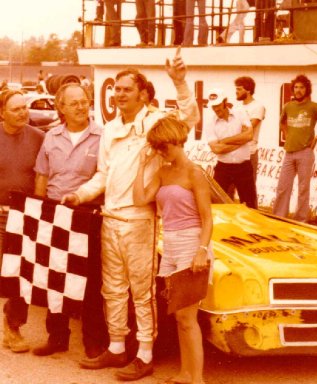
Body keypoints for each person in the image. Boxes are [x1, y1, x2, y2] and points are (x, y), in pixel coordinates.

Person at [61, 47, 199, 381]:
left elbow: (189, 119)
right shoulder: (108, 128)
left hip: (140, 221)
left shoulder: (154, 121)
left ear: (143, 93)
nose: (119, 94)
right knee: (112, 289)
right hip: (111, 218)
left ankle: (145, 354)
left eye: (126, 89)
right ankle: (117, 347)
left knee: (142, 292)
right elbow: (103, 176)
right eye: (116, 89)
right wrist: (79, 195)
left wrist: (180, 83)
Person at [133, 116, 212, 384]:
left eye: (164, 146)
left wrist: (202, 250)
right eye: (157, 147)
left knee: (188, 318)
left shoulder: (195, 173)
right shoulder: (162, 172)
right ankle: (185, 373)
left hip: (191, 244)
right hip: (171, 244)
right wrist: (142, 165)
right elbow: (141, 198)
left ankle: (197, 378)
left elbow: (207, 218)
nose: (161, 152)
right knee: (180, 316)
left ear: (178, 141)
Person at [32, 83, 109, 359]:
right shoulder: (51, 137)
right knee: (55, 276)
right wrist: (41, 213)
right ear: (61, 107)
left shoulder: (103, 136)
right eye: (73, 103)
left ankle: (93, 340)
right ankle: (57, 336)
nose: (80, 107)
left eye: (84, 101)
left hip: (88, 215)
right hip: (54, 213)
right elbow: (42, 175)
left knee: (89, 280)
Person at [0, 90, 44, 353]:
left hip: (25, 214)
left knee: (20, 273)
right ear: (2, 111)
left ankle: (13, 326)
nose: (22, 112)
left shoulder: (39, 138)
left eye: (24, 108)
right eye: (15, 108)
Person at [273, 74, 317, 222]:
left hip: (305, 153)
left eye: (301, 87)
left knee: (303, 189)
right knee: (283, 187)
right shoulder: (288, 106)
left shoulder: (313, 107)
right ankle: (278, 218)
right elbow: (282, 123)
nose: (298, 90)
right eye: (296, 87)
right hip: (289, 153)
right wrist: (287, 134)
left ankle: (300, 220)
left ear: (307, 89)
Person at [204, 88, 256, 208]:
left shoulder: (240, 113)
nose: (216, 109)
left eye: (218, 105)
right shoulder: (210, 122)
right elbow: (216, 149)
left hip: (243, 166)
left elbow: (249, 135)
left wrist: (224, 141)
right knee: (216, 204)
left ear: (225, 102)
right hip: (223, 168)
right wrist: (240, 140)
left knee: (250, 205)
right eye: (213, 106)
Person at [234, 76, 265, 208]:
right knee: (228, 190)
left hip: (249, 152)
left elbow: (249, 129)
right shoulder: (237, 108)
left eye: (239, 89)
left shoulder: (258, 107)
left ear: (248, 90)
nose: (236, 92)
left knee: (248, 192)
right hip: (234, 153)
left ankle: (254, 221)